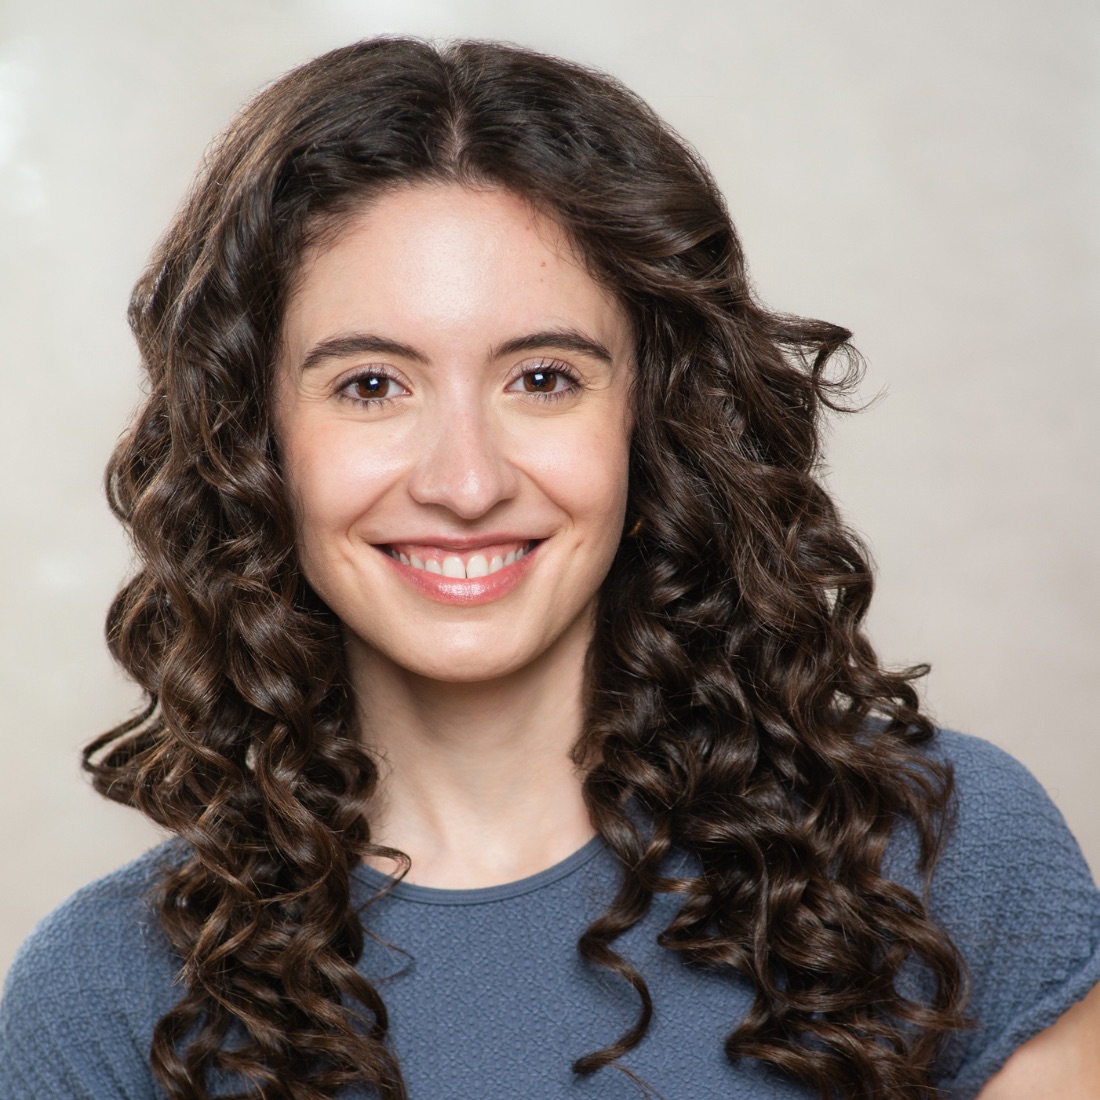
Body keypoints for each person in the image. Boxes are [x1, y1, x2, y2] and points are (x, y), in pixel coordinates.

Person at [0, 36, 1097, 1100]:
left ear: (648, 413)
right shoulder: (99, 1005)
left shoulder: (946, 855)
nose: (465, 481)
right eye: (371, 385)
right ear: (257, 439)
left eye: (542, 377)